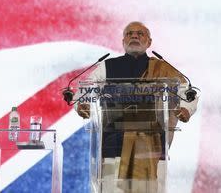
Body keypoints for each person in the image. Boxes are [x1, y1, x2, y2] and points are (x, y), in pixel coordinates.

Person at [74, 21, 198, 192]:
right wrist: (84, 104)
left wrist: (186, 109)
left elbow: (187, 91)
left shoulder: (163, 69)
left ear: (149, 42)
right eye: (129, 33)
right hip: (113, 147)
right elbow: (86, 87)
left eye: (140, 34)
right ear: (123, 41)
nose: (134, 36)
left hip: (151, 148)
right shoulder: (107, 66)